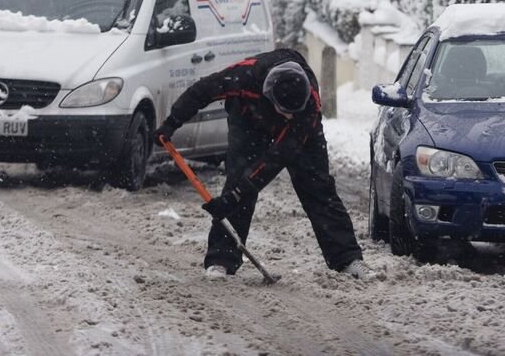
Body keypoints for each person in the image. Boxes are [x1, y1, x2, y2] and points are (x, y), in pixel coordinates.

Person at [155, 49, 376, 280]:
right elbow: (201, 91)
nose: (288, 116)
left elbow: (277, 158)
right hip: (248, 118)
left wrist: (236, 195)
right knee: (238, 178)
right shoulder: (245, 77)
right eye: (284, 111)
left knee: (317, 186)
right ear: (270, 97)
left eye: (293, 112)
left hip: (301, 133)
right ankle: (221, 260)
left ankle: (348, 259)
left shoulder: (307, 108)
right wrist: (172, 123)